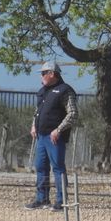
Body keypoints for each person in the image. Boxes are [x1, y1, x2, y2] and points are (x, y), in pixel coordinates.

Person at [26, 60, 78, 211]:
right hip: (41, 137)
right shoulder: (43, 91)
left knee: (58, 168)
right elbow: (37, 112)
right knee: (40, 167)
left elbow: (73, 114)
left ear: (52, 74)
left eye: (43, 73)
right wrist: (34, 125)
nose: (41, 77)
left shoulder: (65, 91)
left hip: (55, 137)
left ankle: (61, 202)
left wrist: (59, 130)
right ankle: (42, 199)